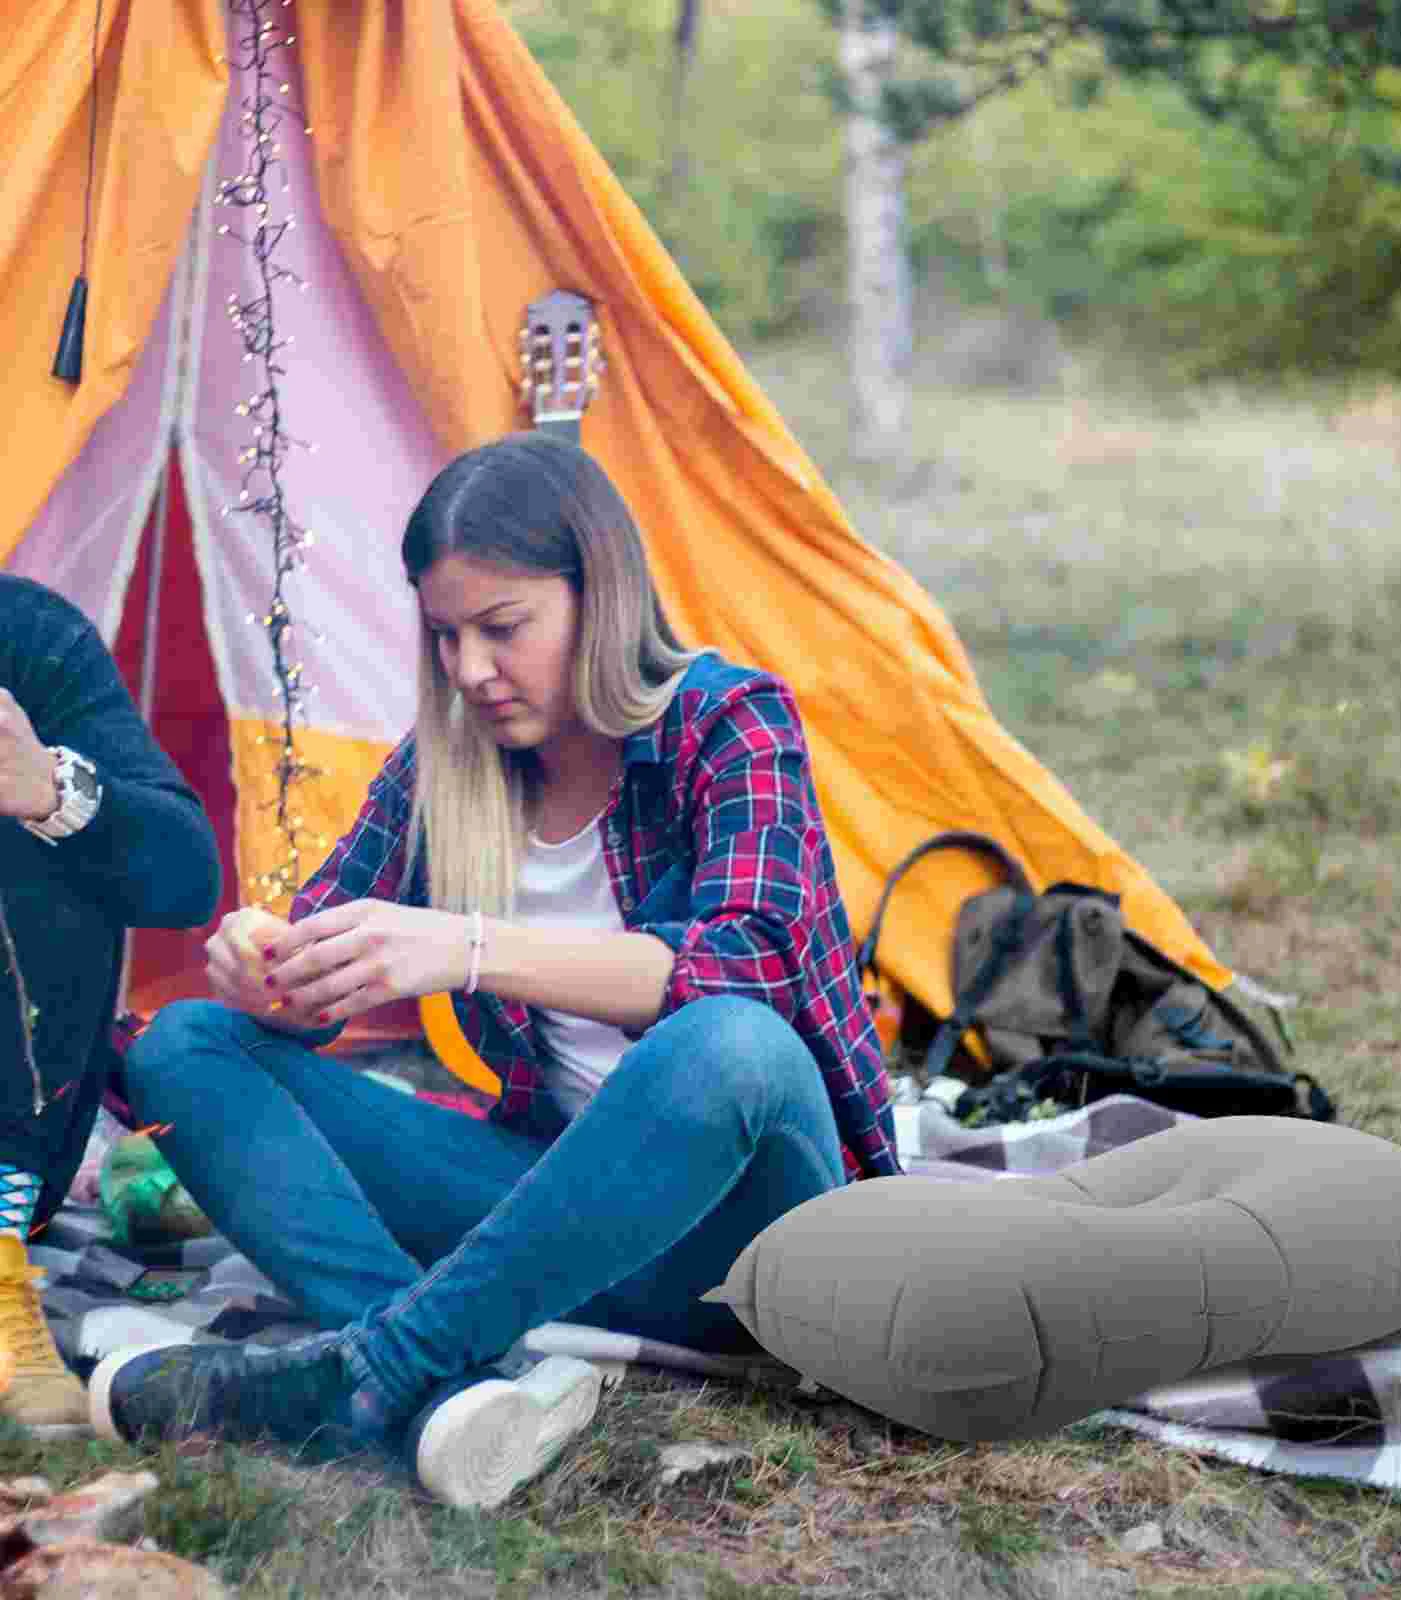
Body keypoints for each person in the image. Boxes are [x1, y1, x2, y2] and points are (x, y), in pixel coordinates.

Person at [93, 433, 900, 1509]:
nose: (471, 669)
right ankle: (442, 1393)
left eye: (503, 628)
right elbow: (311, 979)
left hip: (765, 1245)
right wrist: (264, 973)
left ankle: (373, 1367)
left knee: (727, 1044)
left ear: (598, 597)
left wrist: (470, 947)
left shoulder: (729, 722)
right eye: (445, 636)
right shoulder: (448, 766)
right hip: (565, 1222)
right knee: (188, 1042)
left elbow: (749, 967)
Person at [0, 572, 222, 1434]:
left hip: (18, 1135)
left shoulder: (26, 638)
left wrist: (51, 792)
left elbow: (186, 877)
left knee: (56, 841)